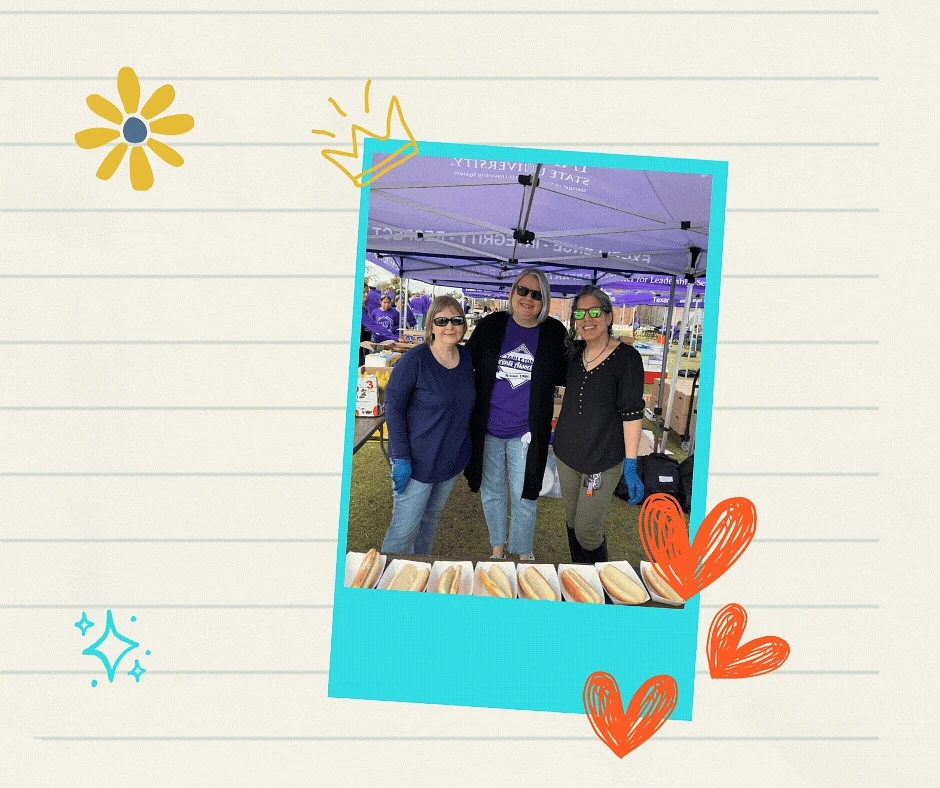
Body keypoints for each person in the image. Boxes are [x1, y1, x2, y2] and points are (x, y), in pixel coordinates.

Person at [464, 268, 568, 562]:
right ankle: (497, 548)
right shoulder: (492, 325)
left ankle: (523, 550)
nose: (527, 298)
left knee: (526, 493)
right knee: (492, 491)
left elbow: (571, 371)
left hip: (527, 433)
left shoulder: (554, 332)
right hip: (489, 429)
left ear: (544, 300)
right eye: (522, 290)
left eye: (536, 294)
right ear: (512, 292)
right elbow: (465, 363)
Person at [552, 285, 645, 564]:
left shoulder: (627, 359)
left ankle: (600, 584)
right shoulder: (572, 354)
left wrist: (631, 464)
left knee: (587, 530)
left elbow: (632, 414)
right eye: (579, 314)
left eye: (594, 312)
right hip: (566, 455)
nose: (587, 319)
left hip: (602, 460)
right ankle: (578, 576)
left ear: (608, 316)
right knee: (572, 521)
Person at [381, 296, 476, 554]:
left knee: (429, 522)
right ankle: (389, 579)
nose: (450, 326)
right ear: (431, 325)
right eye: (442, 320)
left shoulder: (467, 358)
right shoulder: (416, 360)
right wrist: (401, 457)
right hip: (416, 463)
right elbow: (394, 407)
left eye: (456, 320)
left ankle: (420, 571)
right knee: (402, 533)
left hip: (449, 460)